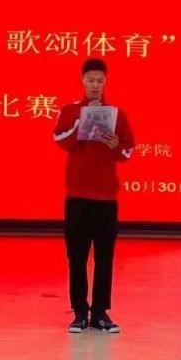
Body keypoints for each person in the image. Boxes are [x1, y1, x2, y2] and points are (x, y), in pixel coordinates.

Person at [52, 58, 134, 334]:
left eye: (100, 81)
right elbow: (60, 140)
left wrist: (115, 145)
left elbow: (127, 151)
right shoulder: (69, 111)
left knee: (104, 258)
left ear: (105, 82)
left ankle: (100, 313)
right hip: (77, 196)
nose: (95, 85)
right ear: (82, 81)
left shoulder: (117, 114)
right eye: (90, 80)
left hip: (106, 198)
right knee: (76, 257)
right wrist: (82, 122)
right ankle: (79, 313)